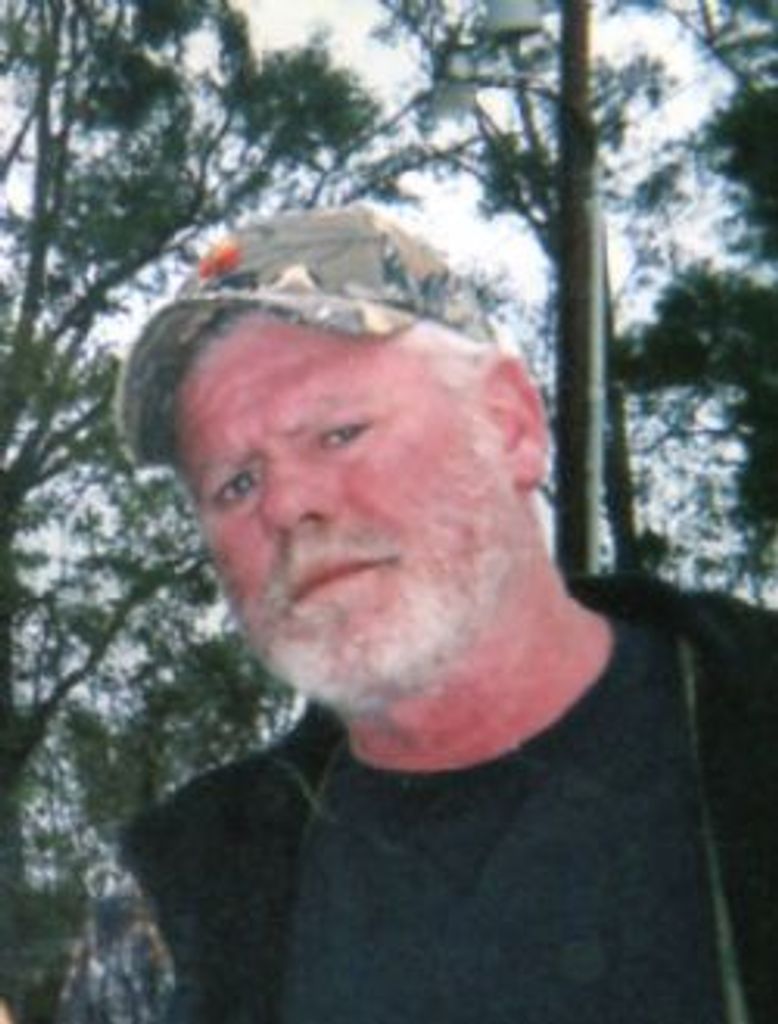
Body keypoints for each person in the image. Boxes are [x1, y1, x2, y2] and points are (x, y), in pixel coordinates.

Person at [67, 206, 778, 1024]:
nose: (287, 504)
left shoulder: (749, 731)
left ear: (511, 425)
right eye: (236, 484)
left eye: (339, 432)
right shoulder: (174, 900)